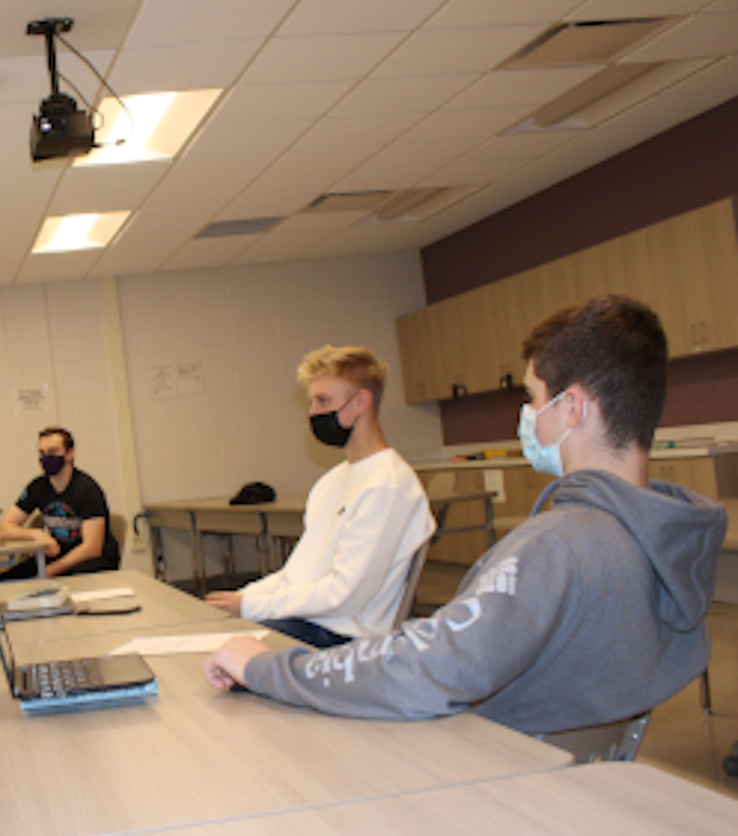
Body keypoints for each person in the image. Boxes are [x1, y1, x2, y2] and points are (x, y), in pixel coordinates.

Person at [202, 295, 725, 737]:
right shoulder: (660, 536)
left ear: (574, 409)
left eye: (532, 397)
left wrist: (266, 666)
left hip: (495, 770)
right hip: (569, 775)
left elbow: (428, 668)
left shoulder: (556, 547)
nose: (526, 416)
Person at [205, 346, 435, 646]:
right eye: (312, 401)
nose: (312, 412)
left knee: (216, 656)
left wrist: (251, 607)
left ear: (361, 401)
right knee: (210, 640)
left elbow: (346, 595)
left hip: (343, 637)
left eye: (323, 400)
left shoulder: (386, 486)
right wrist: (242, 598)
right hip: (311, 623)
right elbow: (296, 575)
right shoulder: (332, 481)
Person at [0, 426, 120, 579]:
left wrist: (50, 571)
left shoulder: (87, 489)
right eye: (42, 453)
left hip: (92, 560)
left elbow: (92, 548)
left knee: (68, 581)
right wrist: (36, 535)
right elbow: (4, 529)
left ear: (70, 453)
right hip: (60, 554)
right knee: (2, 581)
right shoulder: (38, 486)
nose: (46, 458)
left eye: (53, 452)